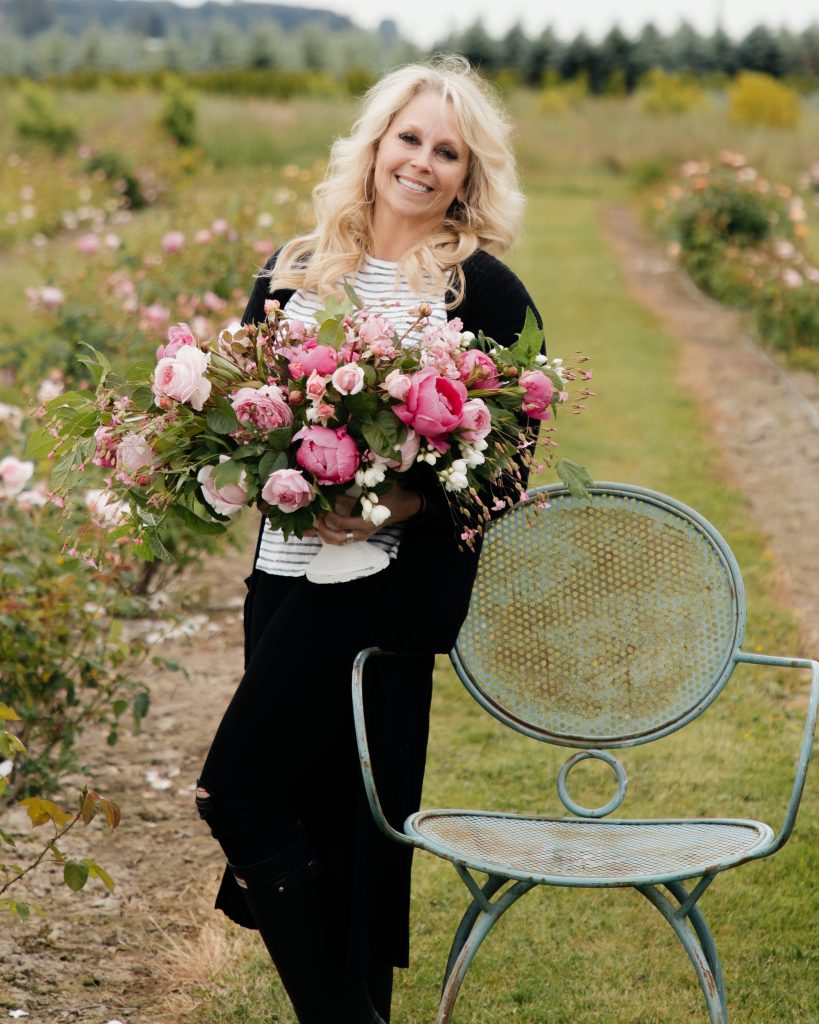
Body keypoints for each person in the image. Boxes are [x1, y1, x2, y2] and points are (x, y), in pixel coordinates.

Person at [195, 55, 543, 1024]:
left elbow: (508, 466)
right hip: (283, 574)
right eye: (410, 139)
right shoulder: (296, 268)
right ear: (376, 143)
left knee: (238, 793)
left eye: (448, 152)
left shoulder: (487, 294)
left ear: (467, 176)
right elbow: (240, 410)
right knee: (321, 822)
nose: (423, 163)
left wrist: (401, 509)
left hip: (385, 589)